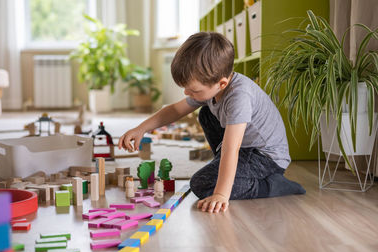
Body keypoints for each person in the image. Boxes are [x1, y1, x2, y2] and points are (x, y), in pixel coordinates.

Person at [118, 32, 305, 213]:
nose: (187, 93)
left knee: (201, 184)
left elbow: (231, 148)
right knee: (206, 112)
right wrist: (141, 128)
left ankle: (272, 185)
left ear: (222, 83)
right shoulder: (212, 87)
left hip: (267, 158)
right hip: (246, 149)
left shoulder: (239, 96)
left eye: (193, 90)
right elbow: (175, 110)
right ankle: (225, 168)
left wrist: (221, 194)